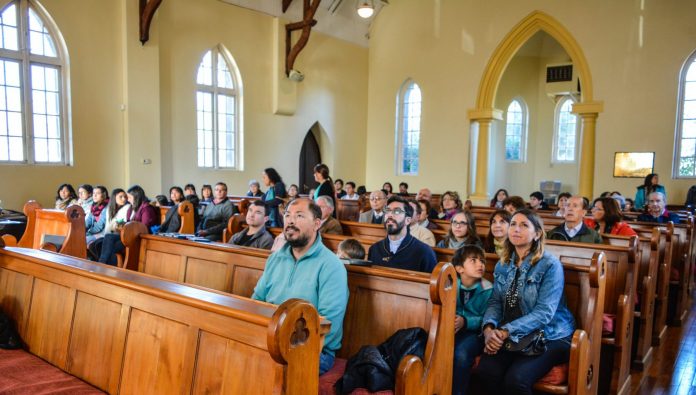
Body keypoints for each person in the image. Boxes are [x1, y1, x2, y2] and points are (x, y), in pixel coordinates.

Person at [477, 209, 576, 394]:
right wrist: (489, 329)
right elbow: (496, 302)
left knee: (517, 381)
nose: (516, 229)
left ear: (537, 234)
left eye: (524, 225)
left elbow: (544, 313)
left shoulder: (549, 265)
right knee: (486, 371)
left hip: (549, 334)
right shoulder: (503, 264)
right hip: (512, 333)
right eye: (513, 224)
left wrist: (505, 331)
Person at [251, 198, 349, 374]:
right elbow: (256, 301)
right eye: (287, 215)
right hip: (270, 339)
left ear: (317, 224)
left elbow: (329, 324)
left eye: (299, 216)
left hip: (313, 350)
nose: (290, 221)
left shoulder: (331, 265)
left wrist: (281, 344)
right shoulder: (275, 258)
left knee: (259, 370)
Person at [451, 245, 493, 395]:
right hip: (452, 329)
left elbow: (488, 318)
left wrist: (466, 321)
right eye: (473, 260)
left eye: (482, 261)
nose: (480, 264)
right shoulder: (450, 285)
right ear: (459, 269)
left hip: (476, 333)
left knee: (461, 354)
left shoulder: (488, 289)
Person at [367, 195, 437, 273]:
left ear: (407, 220)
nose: (390, 215)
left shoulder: (424, 252)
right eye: (387, 210)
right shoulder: (374, 249)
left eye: (397, 211)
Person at [98, 185, 159, 265]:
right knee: (108, 237)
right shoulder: (132, 207)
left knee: (112, 247)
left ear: (136, 197)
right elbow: (129, 222)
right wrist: (122, 225)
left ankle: (105, 266)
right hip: (129, 235)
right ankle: (102, 263)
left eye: (129, 197)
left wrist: (128, 227)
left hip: (138, 238)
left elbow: (144, 228)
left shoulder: (146, 209)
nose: (128, 199)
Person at [87, 188, 130, 258]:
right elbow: (108, 227)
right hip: (108, 235)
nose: (124, 199)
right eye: (121, 197)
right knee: (93, 246)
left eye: (125, 197)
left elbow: (121, 226)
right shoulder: (109, 208)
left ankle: (102, 264)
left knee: (102, 246)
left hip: (118, 236)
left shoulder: (127, 208)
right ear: (114, 197)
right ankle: (99, 263)